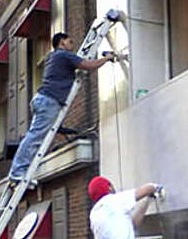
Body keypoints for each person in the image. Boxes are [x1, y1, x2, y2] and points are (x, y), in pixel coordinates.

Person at [8, 33, 115, 183]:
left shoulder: (54, 57)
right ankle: (18, 171)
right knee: (35, 137)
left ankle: (22, 170)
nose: (72, 44)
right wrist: (107, 58)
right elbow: (88, 65)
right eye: (69, 41)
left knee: (35, 137)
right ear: (61, 43)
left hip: (43, 100)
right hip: (49, 101)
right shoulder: (64, 55)